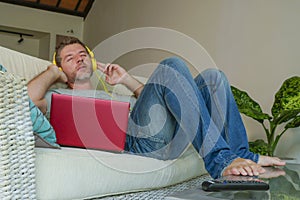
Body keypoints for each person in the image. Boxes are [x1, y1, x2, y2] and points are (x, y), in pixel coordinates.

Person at [27, 37, 285, 179]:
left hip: (159, 133)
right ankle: (221, 160)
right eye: (70, 59)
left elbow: (159, 96)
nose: (79, 59)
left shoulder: (112, 91)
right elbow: (24, 99)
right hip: (136, 144)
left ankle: (242, 153)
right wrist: (51, 72)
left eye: (83, 54)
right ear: (61, 68)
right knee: (171, 64)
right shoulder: (56, 96)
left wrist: (126, 80)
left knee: (213, 78)